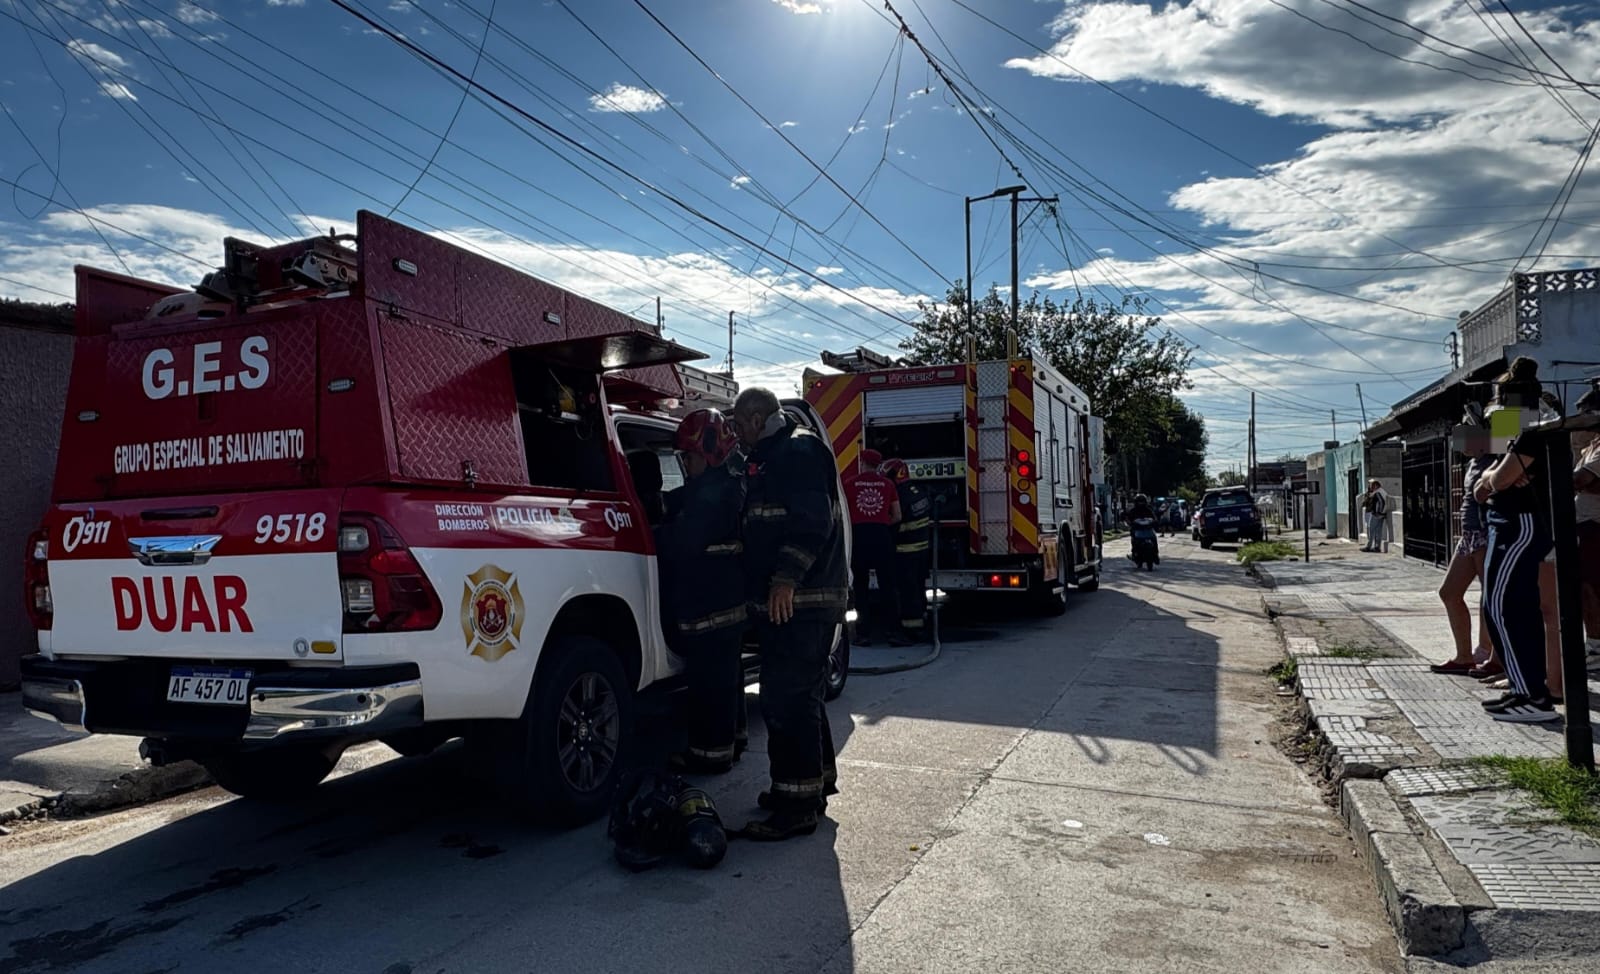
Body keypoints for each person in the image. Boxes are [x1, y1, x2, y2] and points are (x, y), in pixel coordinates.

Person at [731, 387, 849, 840]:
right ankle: (814, 782)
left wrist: (785, 579)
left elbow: (811, 521)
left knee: (785, 699)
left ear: (759, 417)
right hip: (795, 603)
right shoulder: (771, 454)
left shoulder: (798, 449)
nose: (738, 434)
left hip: (803, 601)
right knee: (804, 695)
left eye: (741, 425)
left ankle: (795, 806)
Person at [655, 409, 747, 773]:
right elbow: (684, 498)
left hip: (712, 608)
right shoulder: (723, 484)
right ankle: (733, 741)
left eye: (688, 457)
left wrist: (657, 531)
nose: (684, 463)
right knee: (727, 680)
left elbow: (684, 541)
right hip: (723, 606)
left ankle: (710, 755)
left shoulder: (714, 495)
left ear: (709, 452)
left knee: (710, 685)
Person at [1476, 358, 1561, 723]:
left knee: (1505, 606)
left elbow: (1495, 481)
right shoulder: (1515, 431)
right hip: (1504, 521)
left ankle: (1532, 695)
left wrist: (1498, 477)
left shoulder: (1534, 430)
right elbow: (1485, 481)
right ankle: (1522, 687)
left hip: (1520, 524)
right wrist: (1499, 475)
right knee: (1500, 605)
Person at [1432, 411, 1498, 676]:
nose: (1458, 442)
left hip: (1485, 532)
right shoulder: (1474, 463)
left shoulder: (1496, 457)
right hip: (1469, 534)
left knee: (1490, 597)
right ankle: (1464, 656)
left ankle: (1490, 654)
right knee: (1449, 592)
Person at [842, 448, 901, 646]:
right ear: (878, 465)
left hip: (859, 536)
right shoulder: (888, 484)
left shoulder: (849, 484)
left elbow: (843, 513)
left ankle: (863, 633)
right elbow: (898, 516)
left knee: (860, 586)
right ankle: (892, 632)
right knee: (888, 585)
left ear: (862, 463)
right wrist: (882, 520)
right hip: (881, 536)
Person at [881, 458, 933, 642]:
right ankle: (922, 620)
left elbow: (895, 520)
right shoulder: (918, 491)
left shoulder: (899, 495)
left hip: (905, 551)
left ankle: (911, 631)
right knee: (918, 587)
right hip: (922, 549)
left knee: (907, 591)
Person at [1360, 480, 1389, 552]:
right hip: (1382, 514)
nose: (1370, 487)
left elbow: (1381, 502)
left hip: (1377, 514)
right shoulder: (1382, 491)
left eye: (1371, 485)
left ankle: (1368, 546)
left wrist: (1379, 512)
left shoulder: (1378, 493)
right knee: (1378, 531)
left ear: (1375, 485)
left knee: (1371, 529)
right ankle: (1377, 547)